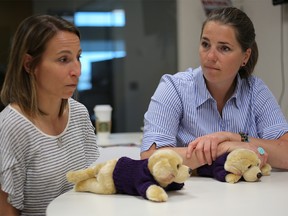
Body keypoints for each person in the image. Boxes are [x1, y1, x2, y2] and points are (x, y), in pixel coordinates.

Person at [141, 7, 288, 170]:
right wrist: (223, 149)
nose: (210, 57)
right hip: (192, 194)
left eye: (224, 48)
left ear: (245, 57)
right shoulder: (173, 88)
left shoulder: (255, 90)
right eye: (205, 44)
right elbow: (149, 156)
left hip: (246, 193)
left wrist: (233, 138)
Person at [0, 14, 100, 216]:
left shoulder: (79, 113)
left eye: (78, 57)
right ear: (29, 65)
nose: (77, 71)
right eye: (63, 59)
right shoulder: (11, 127)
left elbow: (89, 187)